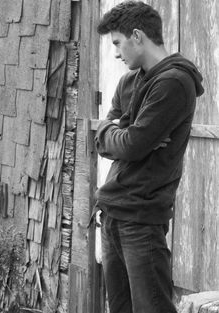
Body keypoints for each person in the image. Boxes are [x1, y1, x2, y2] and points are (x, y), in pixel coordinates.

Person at [93, 1, 204, 313]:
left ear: (138, 36)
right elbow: (110, 136)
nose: (116, 53)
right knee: (120, 308)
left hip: (141, 219)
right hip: (111, 212)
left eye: (118, 43)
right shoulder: (130, 81)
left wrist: (125, 136)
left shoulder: (174, 82)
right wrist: (118, 133)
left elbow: (131, 145)